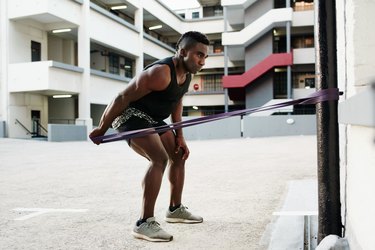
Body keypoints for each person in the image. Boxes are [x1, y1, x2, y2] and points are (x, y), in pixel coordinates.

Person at [89, 31, 210, 242]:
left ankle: (174, 209)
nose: (202, 61)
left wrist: (179, 136)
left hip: (153, 118)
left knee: (178, 156)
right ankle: (144, 222)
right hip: (130, 116)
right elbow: (121, 97)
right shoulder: (161, 73)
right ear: (182, 52)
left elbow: (177, 103)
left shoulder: (186, 75)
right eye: (199, 55)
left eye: (205, 57)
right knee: (159, 158)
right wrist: (101, 129)